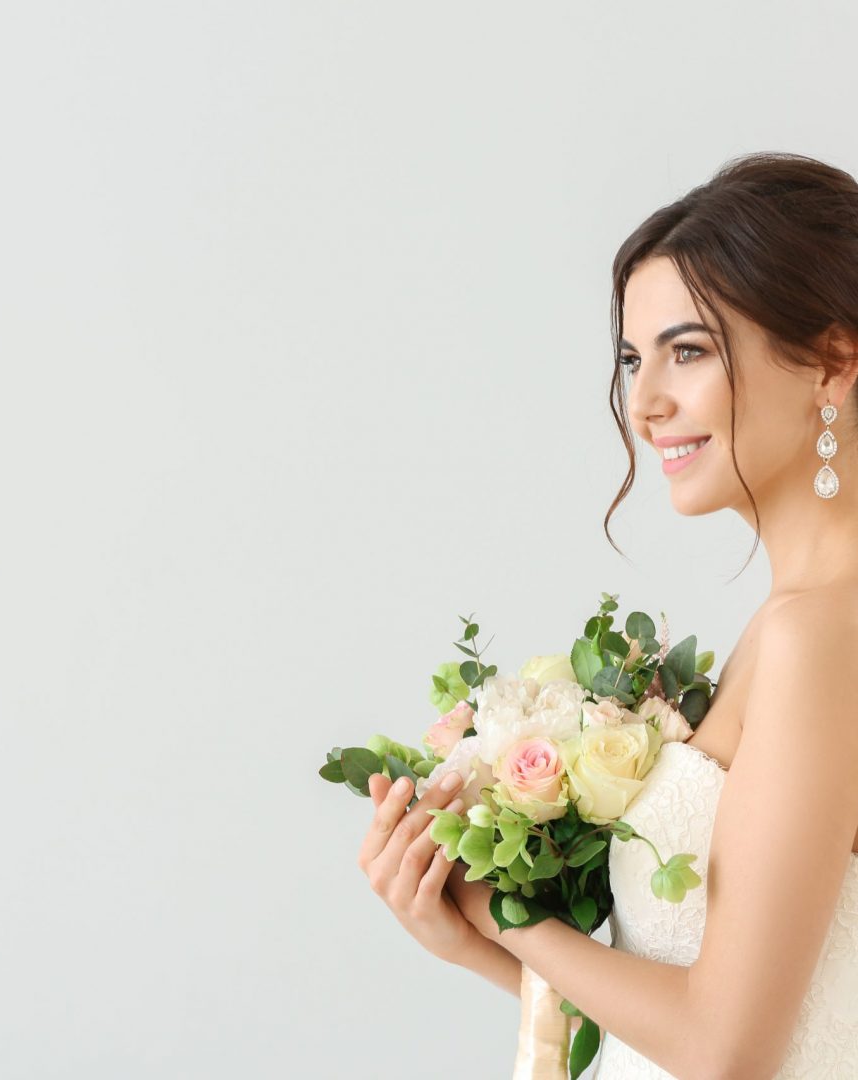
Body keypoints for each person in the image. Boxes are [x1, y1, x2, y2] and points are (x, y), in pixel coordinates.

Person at [357, 150, 858, 1078]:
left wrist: (504, 912)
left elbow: (726, 1052)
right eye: (634, 358)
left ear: (831, 363)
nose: (647, 401)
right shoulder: (797, 622)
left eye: (690, 351)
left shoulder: (818, 636)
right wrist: (477, 942)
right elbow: (783, 1015)